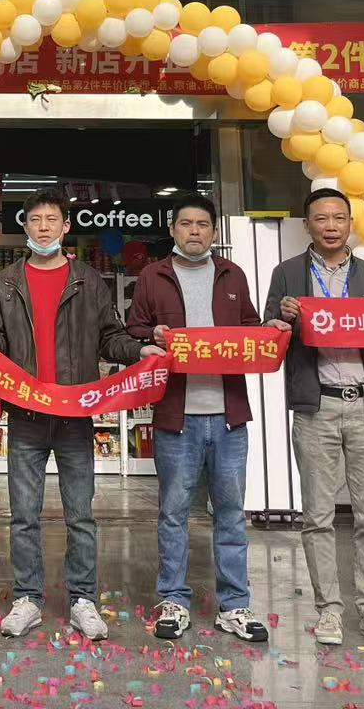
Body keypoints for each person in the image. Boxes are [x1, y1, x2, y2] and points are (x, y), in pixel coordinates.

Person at [0, 187, 160, 641]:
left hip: (74, 414)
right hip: (26, 414)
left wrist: (140, 350)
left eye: (52, 219)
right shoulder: (5, 282)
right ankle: (28, 598)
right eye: (35, 219)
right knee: (23, 515)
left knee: (80, 514)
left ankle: (83, 599)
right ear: (25, 226)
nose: (43, 227)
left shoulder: (88, 281)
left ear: (65, 226)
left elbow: (110, 338)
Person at [259, 188, 364, 650]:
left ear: (350, 224)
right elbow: (268, 336)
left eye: (339, 217)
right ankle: (329, 610)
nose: (331, 226)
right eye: (321, 218)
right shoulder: (287, 273)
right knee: (318, 516)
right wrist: (280, 320)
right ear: (307, 225)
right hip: (316, 406)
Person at [126, 193, 271, 644]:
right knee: (173, 513)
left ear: (213, 231)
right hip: (176, 417)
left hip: (228, 416)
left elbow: (250, 328)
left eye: (202, 224)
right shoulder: (153, 276)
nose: (194, 231)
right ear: (173, 230)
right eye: (186, 223)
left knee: (230, 513)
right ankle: (173, 599)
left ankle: (235, 605)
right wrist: (152, 335)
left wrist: (271, 332)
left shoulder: (232, 274)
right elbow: (132, 330)